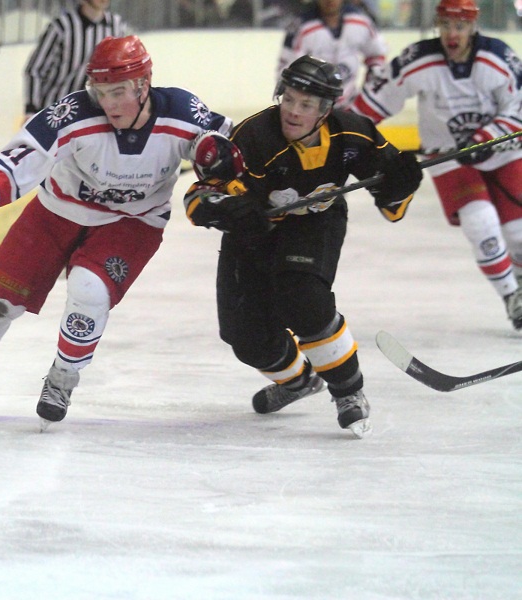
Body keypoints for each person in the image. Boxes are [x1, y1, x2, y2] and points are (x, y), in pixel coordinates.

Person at [0, 35, 238, 428]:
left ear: (143, 85)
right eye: (101, 92)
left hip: (132, 222)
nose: (109, 104)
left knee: (89, 291)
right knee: (0, 300)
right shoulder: (73, 114)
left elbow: (228, 142)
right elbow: (21, 159)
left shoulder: (182, 112)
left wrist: (220, 162)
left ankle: (62, 378)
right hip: (56, 212)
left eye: (118, 92)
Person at [183, 55, 423, 438]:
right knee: (246, 340)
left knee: (303, 297)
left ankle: (348, 391)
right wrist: (227, 209)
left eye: (306, 104)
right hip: (254, 236)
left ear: (325, 110)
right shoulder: (253, 137)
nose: (293, 111)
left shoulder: (353, 133)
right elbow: (198, 198)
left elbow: (392, 205)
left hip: (315, 222)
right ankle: (300, 382)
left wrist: (400, 185)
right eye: (289, 99)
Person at [351, 0, 522, 331]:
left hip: (504, 151)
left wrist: (485, 138)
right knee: (480, 221)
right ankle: (512, 297)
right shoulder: (418, 60)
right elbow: (371, 104)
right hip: (448, 156)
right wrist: (344, 135)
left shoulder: (498, 58)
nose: (451, 34)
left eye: (459, 26)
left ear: (472, 27)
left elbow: (518, 108)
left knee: (519, 233)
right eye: (445, 26)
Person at [23, 0, 128, 121]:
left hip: (95, 114)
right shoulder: (61, 27)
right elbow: (35, 70)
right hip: (55, 112)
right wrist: (31, 109)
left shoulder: (117, 25)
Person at [277, 0, 387, 108]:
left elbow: (376, 54)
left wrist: (369, 90)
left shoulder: (360, 20)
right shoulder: (300, 26)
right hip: (313, 106)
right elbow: (287, 68)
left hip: (350, 103)